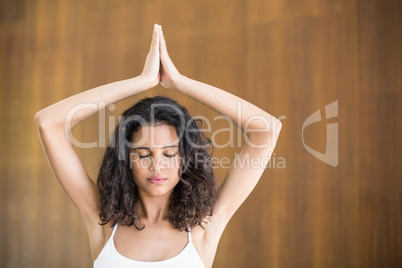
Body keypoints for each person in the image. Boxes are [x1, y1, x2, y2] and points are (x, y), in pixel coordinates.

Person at [35, 24, 282, 268]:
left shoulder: (204, 224)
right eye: (143, 154)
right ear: (126, 160)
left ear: (185, 158)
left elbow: (267, 129)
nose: (157, 166)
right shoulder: (103, 220)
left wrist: (178, 82)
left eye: (169, 153)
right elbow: (48, 123)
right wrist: (141, 83)